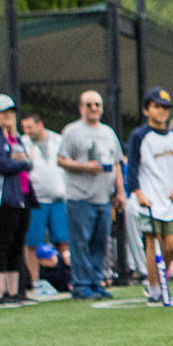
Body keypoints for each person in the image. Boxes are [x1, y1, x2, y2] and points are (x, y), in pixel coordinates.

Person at [58, 90, 126, 301]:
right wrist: (84, 167)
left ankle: (97, 282)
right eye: (89, 105)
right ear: (81, 108)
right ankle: (82, 285)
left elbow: (116, 163)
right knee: (80, 243)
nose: (94, 108)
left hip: (103, 198)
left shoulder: (108, 133)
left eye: (97, 104)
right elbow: (61, 160)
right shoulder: (72, 131)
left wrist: (120, 191)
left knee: (100, 242)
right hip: (80, 198)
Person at [126, 87, 173, 305]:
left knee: (172, 246)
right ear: (147, 110)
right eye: (157, 107)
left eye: (165, 107)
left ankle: (161, 281)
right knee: (153, 244)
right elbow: (132, 167)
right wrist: (138, 193)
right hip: (149, 200)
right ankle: (154, 289)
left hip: (171, 201)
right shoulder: (139, 136)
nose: (162, 111)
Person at [0, 95, 34, 306]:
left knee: (16, 243)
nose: (7, 116)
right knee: (2, 244)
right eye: (3, 112)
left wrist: (22, 162)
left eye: (10, 112)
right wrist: (21, 163)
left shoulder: (13, 137)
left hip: (20, 196)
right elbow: (3, 165)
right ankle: (0, 292)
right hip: (0, 198)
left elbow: (28, 161)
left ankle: (15, 292)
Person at [20, 112, 70, 282]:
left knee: (64, 240)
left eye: (30, 126)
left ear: (40, 124)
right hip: (37, 201)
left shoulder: (58, 140)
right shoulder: (22, 143)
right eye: (24, 128)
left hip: (59, 198)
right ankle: (35, 282)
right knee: (32, 242)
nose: (27, 131)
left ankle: (71, 278)